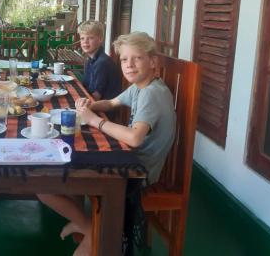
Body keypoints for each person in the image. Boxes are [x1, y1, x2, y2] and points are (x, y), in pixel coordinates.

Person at [38, 32, 176, 256]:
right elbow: (112, 102)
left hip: (135, 173)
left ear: (153, 61)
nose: (129, 65)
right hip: (129, 161)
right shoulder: (141, 86)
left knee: (44, 184)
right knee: (56, 171)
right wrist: (89, 106)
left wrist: (95, 121)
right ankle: (87, 225)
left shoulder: (152, 94)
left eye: (137, 58)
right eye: (124, 59)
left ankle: (93, 231)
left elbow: (134, 138)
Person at [78, 21, 121, 119]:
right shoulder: (89, 60)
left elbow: (95, 97)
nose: (85, 42)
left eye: (90, 38)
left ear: (100, 39)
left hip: (104, 114)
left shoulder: (102, 63)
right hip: (95, 105)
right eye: (82, 38)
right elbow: (85, 87)